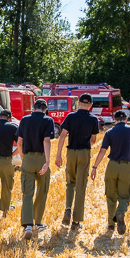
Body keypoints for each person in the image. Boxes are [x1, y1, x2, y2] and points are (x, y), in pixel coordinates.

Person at [91, 109, 130, 235]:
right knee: (125, 196)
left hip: (112, 166)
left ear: (114, 120)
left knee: (111, 196)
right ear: (126, 119)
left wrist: (94, 167)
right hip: (127, 167)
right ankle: (120, 211)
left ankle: (111, 224)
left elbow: (102, 151)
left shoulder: (110, 132)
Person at [55, 93, 101, 231]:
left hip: (71, 152)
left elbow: (62, 136)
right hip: (84, 153)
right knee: (81, 186)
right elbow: (93, 140)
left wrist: (58, 155)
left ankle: (68, 208)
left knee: (70, 183)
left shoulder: (70, 116)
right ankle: (76, 221)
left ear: (79, 103)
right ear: (90, 105)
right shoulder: (93, 119)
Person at [16, 99, 55, 239]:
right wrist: (47, 161)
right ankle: (38, 223)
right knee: (42, 191)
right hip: (41, 158)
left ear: (33, 108)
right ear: (45, 109)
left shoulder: (24, 120)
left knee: (27, 193)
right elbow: (46, 141)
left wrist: (23, 157)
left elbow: (19, 142)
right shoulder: (48, 120)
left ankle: (27, 225)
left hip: (28, 158)